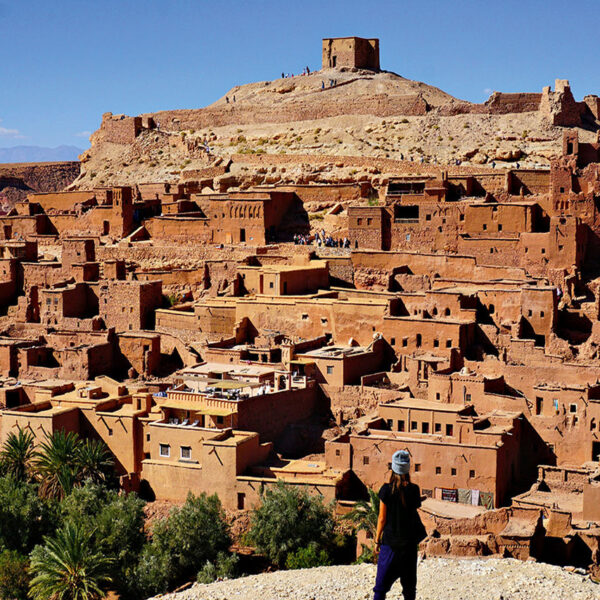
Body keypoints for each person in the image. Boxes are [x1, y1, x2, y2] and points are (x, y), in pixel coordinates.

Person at [373, 450, 426, 600]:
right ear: (407, 468)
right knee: (409, 591)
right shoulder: (414, 490)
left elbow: (382, 518)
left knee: (380, 589)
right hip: (408, 548)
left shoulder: (385, 490)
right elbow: (411, 504)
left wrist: (377, 540)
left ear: (393, 468)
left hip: (390, 546)